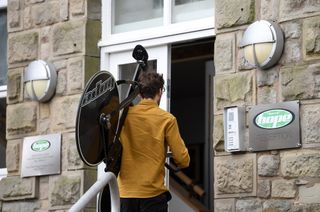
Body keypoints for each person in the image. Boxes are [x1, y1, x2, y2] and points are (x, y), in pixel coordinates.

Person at [118, 71, 190, 212]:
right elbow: (183, 159)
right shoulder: (167, 119)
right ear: (160, 92)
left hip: (126, 194)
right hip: (153, 194)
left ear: (139, 94)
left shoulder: (124, 117)